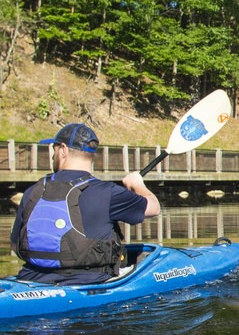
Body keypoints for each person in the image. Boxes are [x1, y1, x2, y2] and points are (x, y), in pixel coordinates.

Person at [10, 122, 161, 284]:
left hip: (30, 279)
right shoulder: (108, 192)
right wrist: (137, 183)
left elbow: (15, 242)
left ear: (63, 150)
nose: (53, 156)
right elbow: (154, 207)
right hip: (89, 281)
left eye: (53, 150)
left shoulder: (33, 191)